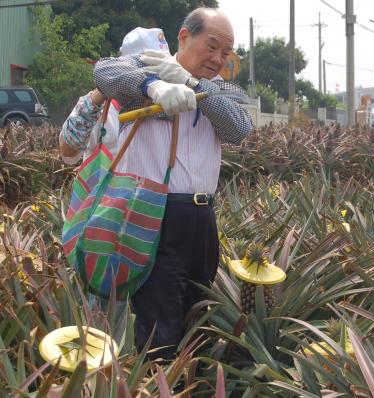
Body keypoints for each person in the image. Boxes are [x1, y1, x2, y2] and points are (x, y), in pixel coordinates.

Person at [94, 7, 253, 359]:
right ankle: (159, 383)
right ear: (183, 37)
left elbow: (240, 127)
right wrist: (153, 85)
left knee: (197, 318)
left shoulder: (219, 89)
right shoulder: (147, 68)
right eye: (211, 46)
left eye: (226, 53)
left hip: (201, 220)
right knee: (158, 328)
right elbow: (104, 71)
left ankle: (189, 381)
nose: (218, 58)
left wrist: (193, 84)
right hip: (153, 215)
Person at [59, 27, 171, 164]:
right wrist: (97, 97)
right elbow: (68, 154)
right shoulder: (103, 108)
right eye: (150, 68)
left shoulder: (170, 108)